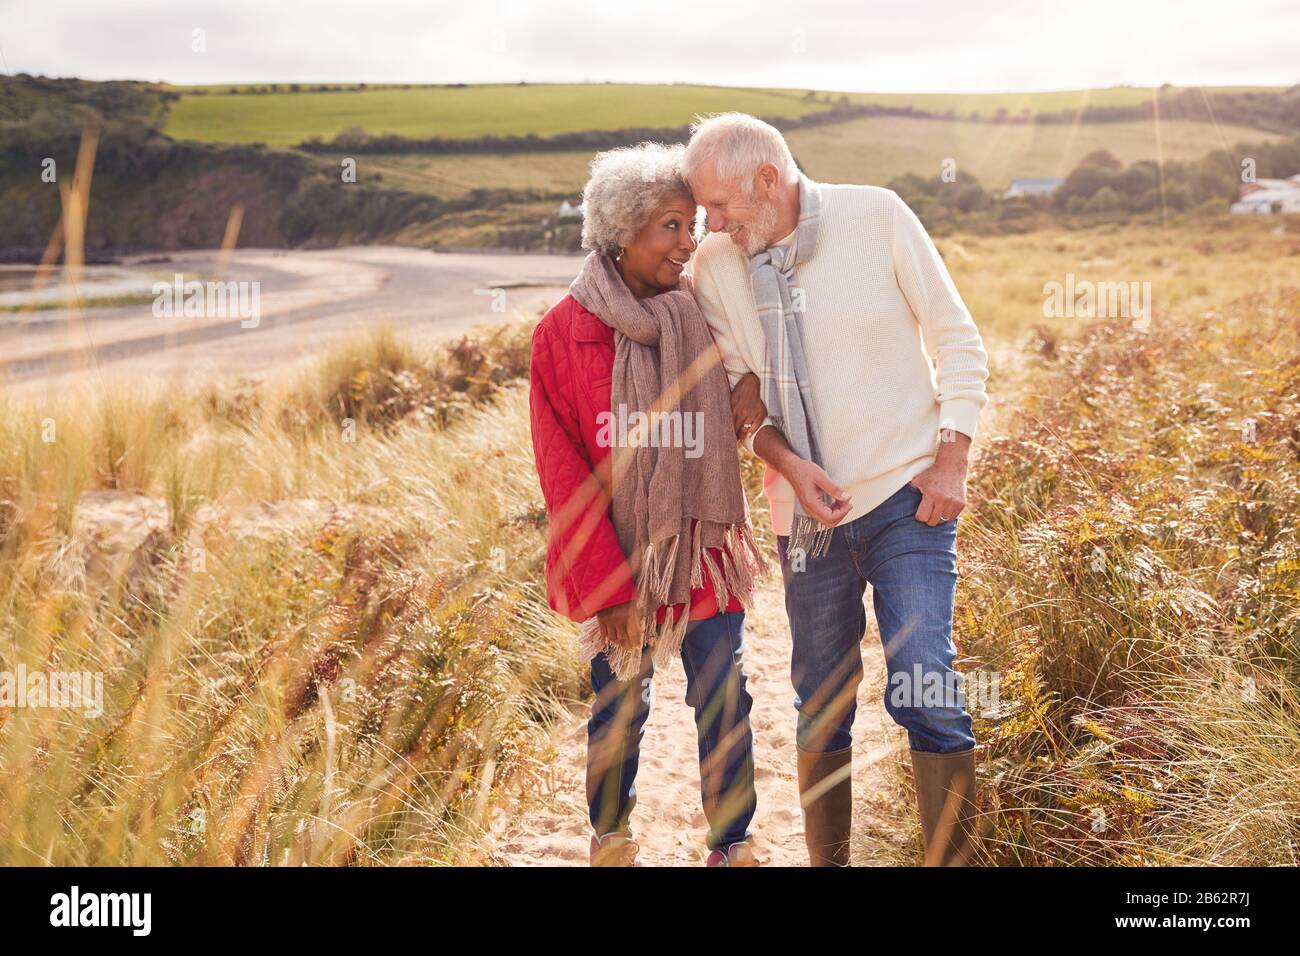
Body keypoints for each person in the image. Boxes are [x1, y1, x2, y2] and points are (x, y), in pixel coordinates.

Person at [685, 113, 991, 866]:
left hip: (906, 501)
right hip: (805, 521)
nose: (710, 223)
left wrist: (951, 462)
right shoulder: (714, 267)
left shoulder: (878, 215)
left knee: (927, 684)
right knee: (821, 707)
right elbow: (741, 410)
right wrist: (790, 466)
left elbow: (958, 341)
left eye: (719, 206)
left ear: (767, 180)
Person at [528, 141, 768, 867]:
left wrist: (752, 378)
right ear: (622, 230)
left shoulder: (701, 313)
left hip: (700, 546)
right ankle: (612, 839)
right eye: (670, 225)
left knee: (723, 692)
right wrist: (609, 588)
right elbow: (561, 473)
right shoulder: (561, 334)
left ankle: (732, 844)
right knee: (619, 708)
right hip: (619, 555)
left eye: (691, 224)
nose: (687, 241)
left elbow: (762, 361)